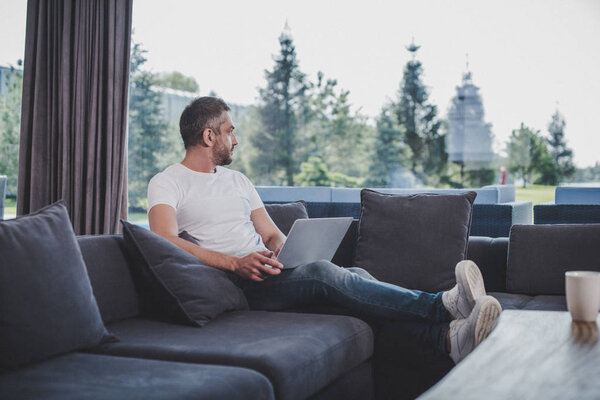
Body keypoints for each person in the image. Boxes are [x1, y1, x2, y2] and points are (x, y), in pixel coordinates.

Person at [147, 96, 502, 364]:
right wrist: (234, 263)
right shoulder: (168, 182)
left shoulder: (238, 180)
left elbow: (270, 233)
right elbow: (164, 238)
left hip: (267, 272)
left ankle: (448, 341)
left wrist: (284, 250)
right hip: (236, 284)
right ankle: (441, 306)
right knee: (323, 273)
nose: (235, 140)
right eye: (229, 131)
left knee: (357, 277)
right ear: (209, 135)